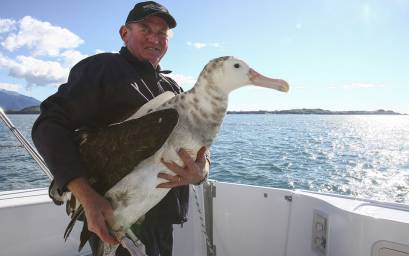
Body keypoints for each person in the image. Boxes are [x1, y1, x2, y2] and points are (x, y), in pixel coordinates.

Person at [32, 1, 209, 255]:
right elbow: (48, 124)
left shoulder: (173, 88)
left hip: (161, 218)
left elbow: (199, 145)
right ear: (124, 33)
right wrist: (87, 197)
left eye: (162, 33)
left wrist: (201, 171)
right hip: (116, 218)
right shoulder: (103, 69)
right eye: (145, 29)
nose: (154, 38)